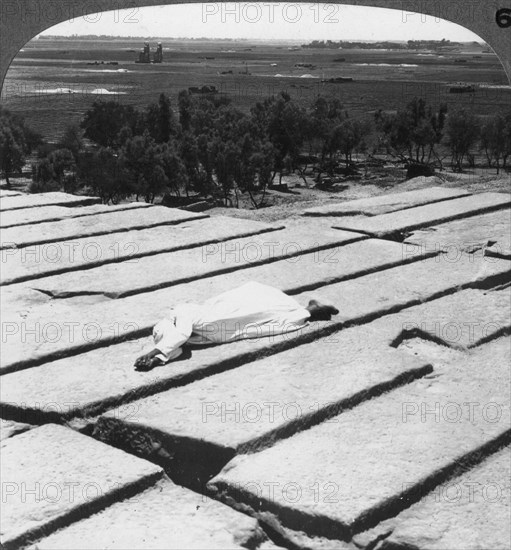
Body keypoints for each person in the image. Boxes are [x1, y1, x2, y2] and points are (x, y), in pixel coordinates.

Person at [134, 281, 339, 371]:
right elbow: (176, 348)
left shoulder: (181, 314)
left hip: (222, 319)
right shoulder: (180, 336)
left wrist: (152, 353)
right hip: (225, 329)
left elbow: (179, 335)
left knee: (262, 312)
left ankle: (311, 309)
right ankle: (311, 310)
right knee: (269, 322)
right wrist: (156, 359)